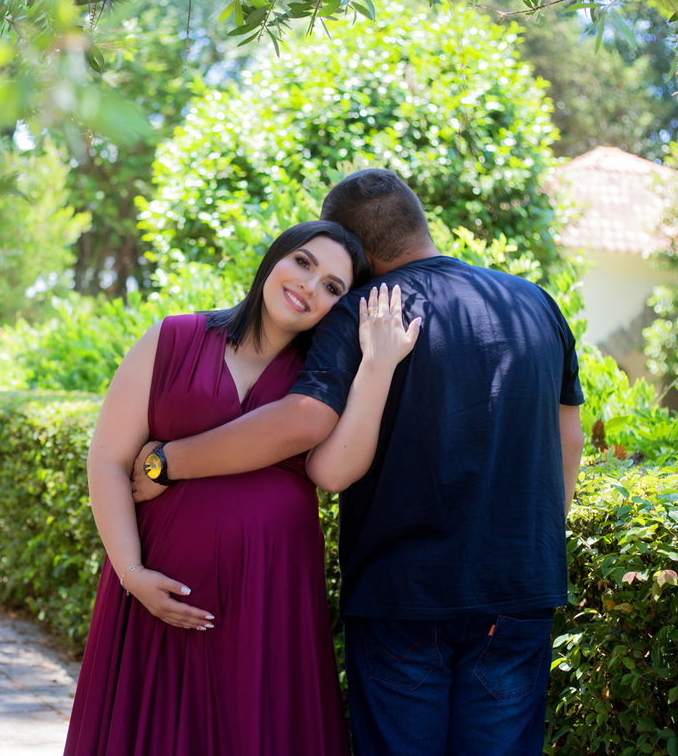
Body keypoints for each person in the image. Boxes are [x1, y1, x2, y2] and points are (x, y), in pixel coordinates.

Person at [131, 169, 586, 756]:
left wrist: (167, 462)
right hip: (521, 586)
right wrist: (536, 539)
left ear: (358, 254)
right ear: (419, 223)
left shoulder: (364, 310)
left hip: (403, 592)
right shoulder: (535, 303)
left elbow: (306, 426)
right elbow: (567, 432)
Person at [64, 219, 422, 756]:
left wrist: (377, 363)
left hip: (270, 599)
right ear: (273, 260)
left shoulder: (321, 382)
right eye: (303, 263)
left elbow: (335, 472)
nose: (308, 285)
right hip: (154, 593)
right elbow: (109, 460)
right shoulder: (174, 337)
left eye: (332, 287)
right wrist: (132, 574)